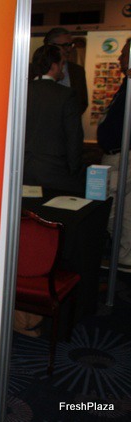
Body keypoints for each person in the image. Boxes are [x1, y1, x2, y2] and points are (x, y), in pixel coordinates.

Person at [23, 45, 85, 193]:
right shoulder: (66, 95)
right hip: (55, 171)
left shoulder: (21, 92)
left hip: (23, 169)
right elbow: (74, 136)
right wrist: (74, 170)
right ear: (54, 66)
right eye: (62, 63)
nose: (63, 68)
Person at [98, 38, 131, 272]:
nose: (119, 58)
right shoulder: (125, 85)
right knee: (125, 211)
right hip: (119, 155)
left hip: (120, 158)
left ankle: (123, 256)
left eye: (124, 53)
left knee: (108, 207)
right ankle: (125, 257)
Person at [43, 27, 89, 115]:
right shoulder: (34, 70)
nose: (69, 49)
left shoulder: (78, 71)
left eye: (70, 45)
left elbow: (82, 102)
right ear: (49, 46)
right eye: (64, 45)